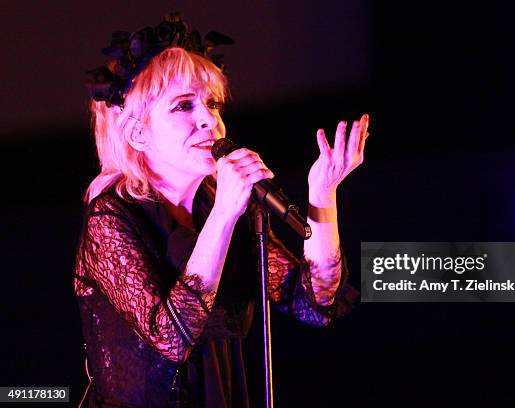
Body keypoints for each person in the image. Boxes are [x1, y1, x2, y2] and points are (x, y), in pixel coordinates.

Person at [74, 13, 368, 407]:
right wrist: (224, 215)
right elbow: (171, 336)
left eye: (212, 104)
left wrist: (322, 196)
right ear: (138, 133)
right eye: (183, 106)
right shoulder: (110, 219)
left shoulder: (224, 205)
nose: (208, 119)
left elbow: (315, 302)